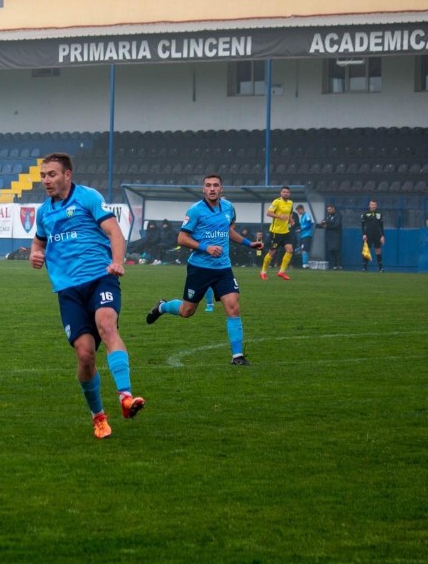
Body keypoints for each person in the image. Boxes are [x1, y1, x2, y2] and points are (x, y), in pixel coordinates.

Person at [29, 152, 145, 440]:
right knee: (85, 355)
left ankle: (125, 397)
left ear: (67, 175)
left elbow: (115, 233)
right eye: (43, 175)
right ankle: (99, 417)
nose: (46, 180)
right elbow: (38, 242)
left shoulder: (88, 197)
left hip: (100, 277)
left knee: (107, 325)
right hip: (68, 290)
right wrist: (35, 254)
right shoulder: (44, 212)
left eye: (52, 174)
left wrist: (117, 262)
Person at [145, 174, 265, 365]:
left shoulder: (228, 207)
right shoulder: (195, 210)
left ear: (221, 189)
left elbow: (228, 230)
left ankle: (237, 356)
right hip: (199, 269)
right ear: (203, 189)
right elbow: (181, 238)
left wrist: (249, 243)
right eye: (208, 185)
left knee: (233, 307)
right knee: (187, 311)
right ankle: (163, 306)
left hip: (223, 268)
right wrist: (205, 247)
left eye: (216, 185)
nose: (212, 188)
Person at [260, 185, 294, 280]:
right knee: (272, 252)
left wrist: (291, 220)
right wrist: (279, 216)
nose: (286, 193)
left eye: (287, 192)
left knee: (290, 250)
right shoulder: (276, 201)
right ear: (281, 193)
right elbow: (268, 213)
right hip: (276, 232)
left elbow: (290, 213)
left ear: (290, 194)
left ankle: (281, 271)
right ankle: (263, 272)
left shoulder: (290, 203)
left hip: (285, 231)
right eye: (284, 192)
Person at [361, 199, 385, 272]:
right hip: (368, 235)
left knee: (378, 250)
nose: (373, 206)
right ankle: (364, 268)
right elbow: (362, 226)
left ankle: (381, 268)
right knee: (366, 251)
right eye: (372, 204)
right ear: (369, 205)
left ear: (376, 205)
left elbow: (381, 226)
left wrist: (382, 236)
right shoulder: (365, 214)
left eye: (374, 205)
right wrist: (364, 234)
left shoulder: (379, 214)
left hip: (377, 235)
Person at [318, 203, 343, 270]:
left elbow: (337, 225)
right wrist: (321, 224)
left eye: (329, 209)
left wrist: (328, 226)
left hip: (336, 235)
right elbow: (324, 222)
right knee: (331, 250)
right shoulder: (328, 216)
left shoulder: (338, 215)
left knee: (336, 250)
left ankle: (339, 265)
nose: (328, 211)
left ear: (333, 209)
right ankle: (335, 265)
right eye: (328, 209)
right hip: (329, 236)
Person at [295, 203, 314, 268]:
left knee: (304, 249)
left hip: (307, 235)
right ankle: (305, 263)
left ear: (302, 209)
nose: (298, 212)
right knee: (303, 249)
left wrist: (301, 229)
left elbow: (309, 224)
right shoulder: (302, 217)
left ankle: (305, 264)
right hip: (303, 235)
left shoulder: (307, 215)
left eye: (298, 211)